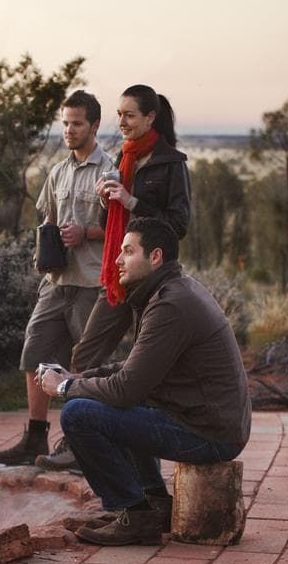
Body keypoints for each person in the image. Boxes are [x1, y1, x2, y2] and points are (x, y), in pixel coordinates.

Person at [39, 217, 250, 546]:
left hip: (209, 433)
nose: (117, 259)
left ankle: (133, 514)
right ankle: (154, 502)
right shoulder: (171, 291)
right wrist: (80, 377)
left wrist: (65, 389)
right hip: (206, 421)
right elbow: (135, 369)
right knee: (114, 399)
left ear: (155, 257)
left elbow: (125, 389)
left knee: (78, 414)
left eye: (127, 251)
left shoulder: (170, 304)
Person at [41, 84, 191, 471]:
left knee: (146, 372)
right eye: (119, 115)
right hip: (119, 276)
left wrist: (129, 200)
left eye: (129, 115)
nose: (121, 122)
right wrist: (111, 205)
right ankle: (80, 443)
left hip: (154, 283)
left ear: (150, 118)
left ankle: (144, 469)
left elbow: (178, 225)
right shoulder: (124, 160)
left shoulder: (170, 163)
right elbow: (116, 225)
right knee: (86, 354)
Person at [0, 90, 111, 466]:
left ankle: (80, 444)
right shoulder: (58, 172)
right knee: (36, 356)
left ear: (94, 125)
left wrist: (86, 234)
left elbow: (121, 231)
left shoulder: (111, 172)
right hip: (56, 282)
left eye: (77, 123)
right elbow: (50, 223)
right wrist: (46, 250)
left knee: (85, 366)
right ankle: (35, 439)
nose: (69, 131)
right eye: (66, 123)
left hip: (91, 283)